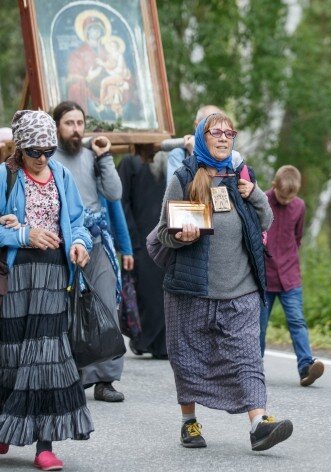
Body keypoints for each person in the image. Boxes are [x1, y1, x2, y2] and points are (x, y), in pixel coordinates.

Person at [157, 112, 293, 451]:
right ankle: (189, 422)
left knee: (247, 355)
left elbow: (266, 221)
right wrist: (181, 237)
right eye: (215, 132)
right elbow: (163, 234)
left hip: (241, 287)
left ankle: (259, 424)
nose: (223, 138)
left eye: (228, 133)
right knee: (187, 358)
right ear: (202, 138)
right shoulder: (185, 177)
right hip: (192, 289)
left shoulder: (242, 175)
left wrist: (255, 193)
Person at [0, 110, 93, 471]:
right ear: (20, 148)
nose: (43, 159)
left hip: (54, 275)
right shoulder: (2, 176)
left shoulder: (62, 174)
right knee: (15, 358)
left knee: (48, 358)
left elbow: (76, 222)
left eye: (49, 151)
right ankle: (0, 413)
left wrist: (80, 244)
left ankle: (44, 445)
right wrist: (24, 234)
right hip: (14, 278)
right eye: (35, 151)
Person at [52, 101, 126, 402]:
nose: (75, 129)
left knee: (106, 305)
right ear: (57, 126)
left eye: (79, 123)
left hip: (96, 241)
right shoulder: (49, 159)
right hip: (61, 244)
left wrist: (105, 156)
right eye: (69, 123)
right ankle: (74, 376)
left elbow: (114, 193)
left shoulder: (93, 156)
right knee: (68, 310)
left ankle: (106, 379)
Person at [260, 165, 325, 386]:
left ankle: (306, 367)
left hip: (289, 276)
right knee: (259, 324)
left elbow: (297, 237)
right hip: (264, 276)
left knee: (297, 321)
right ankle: (253, 369)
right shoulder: (262, 201)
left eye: (291, 197)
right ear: (273, 186)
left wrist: (288, 258)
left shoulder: (299, 206)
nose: (286, 201)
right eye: (282, 196)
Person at [118, 144, 169, 358]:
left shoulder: (170, 160)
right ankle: (144, 339)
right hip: (139, 237)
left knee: (164, 291)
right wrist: (129, 242)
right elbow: (122, 203)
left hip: (165, 237)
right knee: (145, 290)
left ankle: (162, 344)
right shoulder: (130, 163)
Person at [167, 105, 242, 180]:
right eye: (215, 131)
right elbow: (182, 188)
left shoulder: (232, 157)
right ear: (197, 125)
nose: (222, 138)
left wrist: (249, 187)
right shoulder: (179, 155)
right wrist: (194, 155)